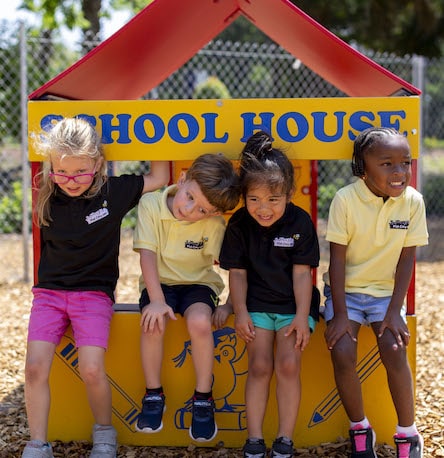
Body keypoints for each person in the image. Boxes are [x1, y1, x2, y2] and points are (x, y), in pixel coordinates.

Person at [22, 117, 169, 458]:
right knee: (34, 367)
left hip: (93, 294)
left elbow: (161, 178)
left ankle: (104, 432)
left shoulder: (112, 193)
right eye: (62, 171)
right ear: (51, 167)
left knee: (90, 367)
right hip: (50, 295)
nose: (70, 181)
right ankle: (37, 442)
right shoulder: (46, 192)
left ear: (99, 163)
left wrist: (160, 126)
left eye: (80, 172)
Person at [323, 127, 428, 458]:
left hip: (385, 295)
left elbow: (407, 259)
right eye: (387, 164)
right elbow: (336, 260)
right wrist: (340, 314)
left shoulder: (413, 202)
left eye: (405, 163)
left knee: (393, 346)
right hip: (347, 293)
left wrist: (394, 310)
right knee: (340, 349)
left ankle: (407, 434)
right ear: (363, 167)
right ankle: (360, 428)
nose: (399, 172)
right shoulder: (345, 199)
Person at [218, 131, 320, 458]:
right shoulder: (238, 226)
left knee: (288, 365)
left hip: (294, 305)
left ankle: (285, 441)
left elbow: (303, 274)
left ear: (289, 194)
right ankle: (255, 440)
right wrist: (242, 312)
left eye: (273, 200)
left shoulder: (300, 222)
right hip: (257, 304)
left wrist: (303, 316)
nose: (264, 209)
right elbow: (237, 273)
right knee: (260, 366)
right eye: (254, 200)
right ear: (244, 195)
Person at [133, 152, 240, 442]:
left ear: (215, 214)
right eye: (189, 197)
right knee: (152, 323)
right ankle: (153, 394)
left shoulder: (214, 225)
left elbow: (230, 267)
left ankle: (203, 398)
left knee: (201, 323)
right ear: (182, 180)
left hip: (197, 283)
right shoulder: (151, 205)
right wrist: (156, 301)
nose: (191, 210)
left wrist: (231, 303)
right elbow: (147, 257)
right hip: (160, 283)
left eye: (203, 210)